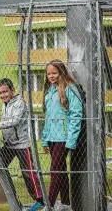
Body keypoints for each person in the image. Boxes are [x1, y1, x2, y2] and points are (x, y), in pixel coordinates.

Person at [0, 78, 44, 211]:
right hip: (8, 145)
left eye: (5, 91)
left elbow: (15, 121)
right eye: (0, 93)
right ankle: (9, 196)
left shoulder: (19, 103)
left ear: (12, 90)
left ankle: (41, 201)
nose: (3, 95)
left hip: (22, 145)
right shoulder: (5, 104)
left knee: (28, 173)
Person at [42, 59, 83, 210]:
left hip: (63, 138)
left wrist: (71, 140)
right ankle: (66, 204)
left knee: (55, 171)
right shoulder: (50, 91)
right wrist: (45, 139)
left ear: (61, 72)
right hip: (52, 137)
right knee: (61, 171)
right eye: (48, 74)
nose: (51, 76)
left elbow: (76, 115)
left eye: (54, 73)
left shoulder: (70, 89)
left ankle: (49, 205)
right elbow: (48, 118)